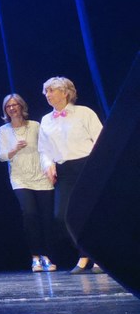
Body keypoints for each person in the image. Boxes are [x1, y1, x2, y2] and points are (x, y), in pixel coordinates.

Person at [38, 77, 104, 274]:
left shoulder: (84, 113)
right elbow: (44, 150)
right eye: (46, 91)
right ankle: (85, 252)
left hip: (86, 166)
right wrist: (48, 165)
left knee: (89, 213)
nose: (48, 95)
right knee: (62, 216)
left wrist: (96, 166)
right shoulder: (46, 120)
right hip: (64, 171)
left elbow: (100, 138)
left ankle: (96, 258)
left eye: (51, 90)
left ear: (65, 92)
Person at [0, 94, 56, 272]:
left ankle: (47, 256)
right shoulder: (3, 130)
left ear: (22, 106)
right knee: (30, 214)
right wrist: (14, 149)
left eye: (15, 105)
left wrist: (49, 167)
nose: (12, 108)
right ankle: (35, 256)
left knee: (46, 217)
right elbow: (1, 156)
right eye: (8, 106)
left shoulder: (35, 126)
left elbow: (46, 149)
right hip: (20, 177)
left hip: (41, 174)